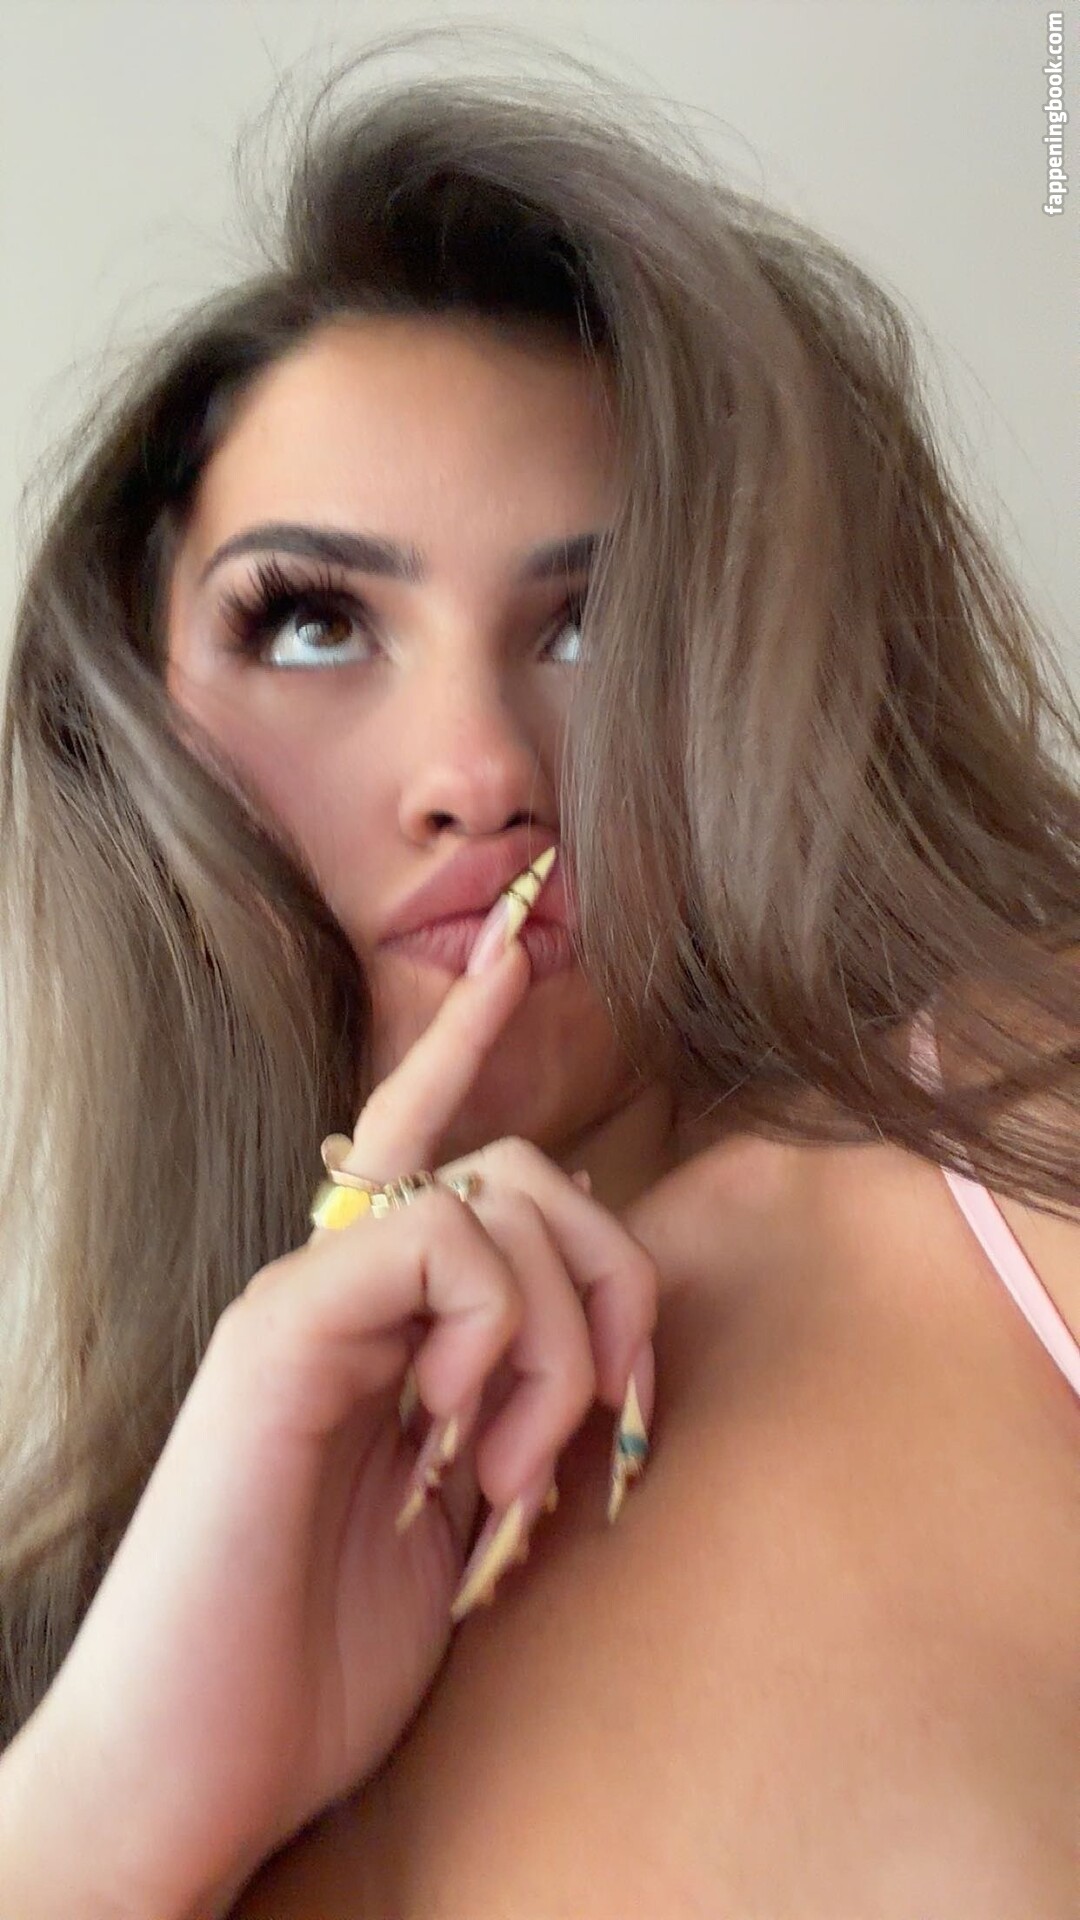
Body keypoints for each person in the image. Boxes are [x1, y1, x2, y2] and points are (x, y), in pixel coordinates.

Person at [0, 25, 1077, 1919]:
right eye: (314, 623)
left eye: (598, 622)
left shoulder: (1023, 1147)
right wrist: (103, 1812)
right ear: (135, 727)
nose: (481, 772)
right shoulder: (66, 1638)